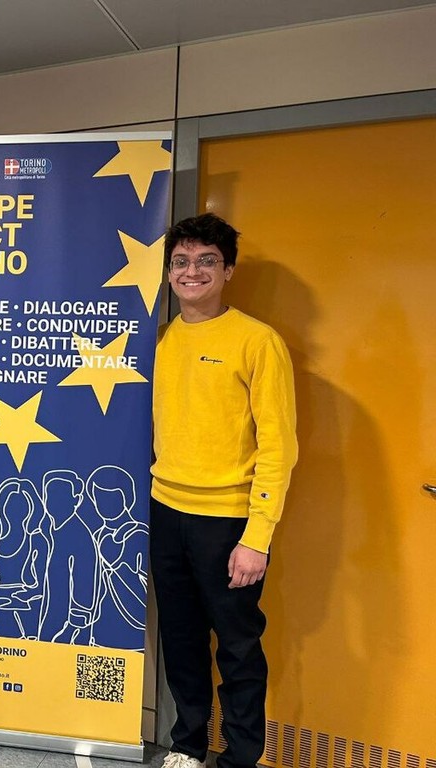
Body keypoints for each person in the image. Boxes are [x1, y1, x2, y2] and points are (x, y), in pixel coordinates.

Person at [150, 213, 298, 768]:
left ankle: (240, 757)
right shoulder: (158, 341)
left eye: (207, 260)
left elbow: (279, 447)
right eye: (181, 261)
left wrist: (257, 537)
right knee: (181, 640)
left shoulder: (258, 342)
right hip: (165, 512)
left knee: (237, 648)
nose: (192, 271)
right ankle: (188, 745)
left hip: (229, 522)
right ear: (169, 273)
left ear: (228, 270)